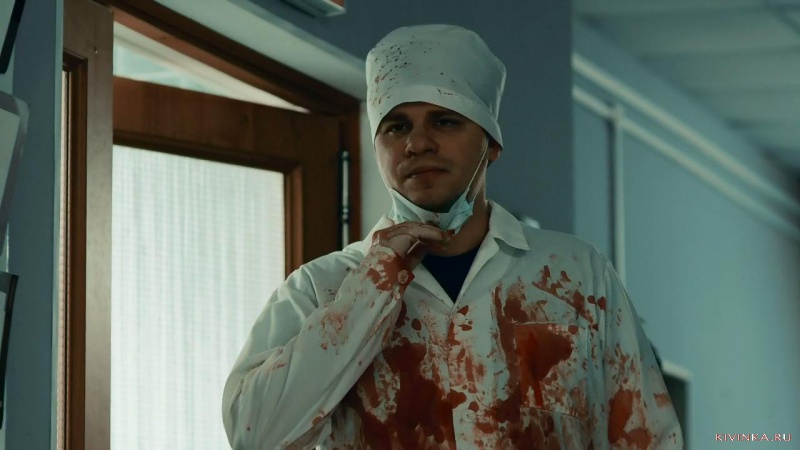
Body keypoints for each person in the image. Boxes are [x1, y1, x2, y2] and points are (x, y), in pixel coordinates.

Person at [222, 24, 684, 449]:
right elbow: (255, 434)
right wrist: (373, 287)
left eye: (444, 121)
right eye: (396, 126)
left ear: (492, 144)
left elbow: (648, 436)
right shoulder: (320, 288)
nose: (417, 143)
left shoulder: (576, 274)